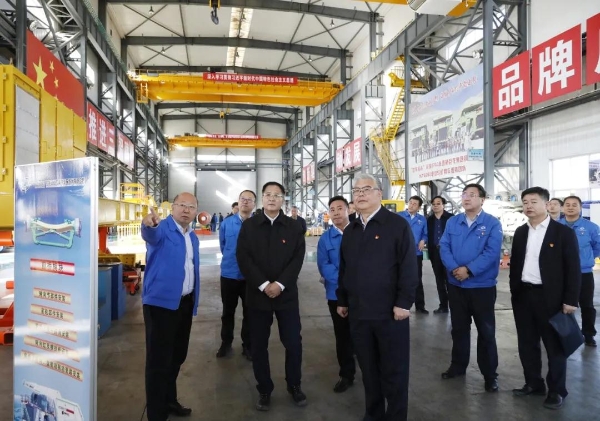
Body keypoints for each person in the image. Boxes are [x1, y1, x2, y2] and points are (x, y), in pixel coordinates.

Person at [337, 173, 418, 421]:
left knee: (394, 371)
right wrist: (342, 299)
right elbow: (345, 268)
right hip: (359, 312)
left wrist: (404, 302)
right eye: (356, 191)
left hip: (389, 313)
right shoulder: (351, 230)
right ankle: (373, 414)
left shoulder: (396, 225)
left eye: (366, 189)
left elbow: (408, 266)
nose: (360, 194)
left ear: (379, 194)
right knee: (369, 370)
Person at [237, 182, 307, 411]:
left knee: (293, 343)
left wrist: (280, 284)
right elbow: (243, 258)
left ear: (283, 200)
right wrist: (264, 284)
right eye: (268, 194)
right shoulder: (250, 226)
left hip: (287, 297)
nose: (272, 198)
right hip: (258, 297)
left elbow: (297, 259)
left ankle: (294, 385)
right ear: (262, 198)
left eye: (277, 195)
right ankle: (264, 389)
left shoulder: (294, 227)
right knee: (258, 346)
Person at [510, 187, 581, 410]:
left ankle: (557, 390)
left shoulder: (562, 233)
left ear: (546, 204)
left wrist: (570, 300)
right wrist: (514, 291)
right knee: (527, 343)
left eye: (533, 201)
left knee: (554, 346)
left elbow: (573, 269)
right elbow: (515, 265)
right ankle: (533, 383)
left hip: (551, 298)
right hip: (524, 295)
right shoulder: (521, 232)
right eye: (525, 202)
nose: (528, 206)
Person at [141, 193, 201, 421]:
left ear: (196, 211)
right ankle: (156, 414)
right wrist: (148, 225)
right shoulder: (162, 228)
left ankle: (169, 400)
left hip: (184, 303)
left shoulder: (191, 236)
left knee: (177, 356)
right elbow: (150, 234)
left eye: (191, 206)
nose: (186, 210)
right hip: (160, 306)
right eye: (182, 205)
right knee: (158, 362)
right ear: (173, 208)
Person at [439, 184, 502, 392]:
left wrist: (469, 270)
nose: (466, 198)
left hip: (481, 287)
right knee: (459, 329)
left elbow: (491, 252)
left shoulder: (492, 223)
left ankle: (490, 375)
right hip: (456, 285)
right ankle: (458, 366)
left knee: (486, 332)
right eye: (464, 194)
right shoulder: (453, 221)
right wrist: (454, 269)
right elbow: (444, 246)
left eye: (472, 195)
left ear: (482, 199)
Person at [317, 196, 356, 393]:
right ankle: (346, 374)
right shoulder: (325, 239)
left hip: (361, 294)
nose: (336, 212)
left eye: (340, 208)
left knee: (364, 334)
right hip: (336, 295)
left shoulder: (360, 232)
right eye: (332, 210)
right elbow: (324, 266)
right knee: (342, 336)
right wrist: (345, 283)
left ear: (348, 210)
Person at [217, 191, 257, 360]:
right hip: (229, 274)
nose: (245, 202)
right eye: (242, 199)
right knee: (228, 312)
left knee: (250, 313)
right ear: (238, 202)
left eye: (249, 200)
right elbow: (223, 245)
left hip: (251, 277)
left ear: (254, 204)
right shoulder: (227, 223)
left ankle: (247, 345)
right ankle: (226, 343)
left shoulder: (258, 224)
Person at [559, 195, 599, 347]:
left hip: (584, 273)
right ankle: (564, 335)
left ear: (580, 208)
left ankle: (588, 334)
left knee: (587, 305)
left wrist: (586, 259)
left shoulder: (591, 227)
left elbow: (597, 246)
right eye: (567, 204)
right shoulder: (555, 226)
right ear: (563, 208)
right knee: (560, 305)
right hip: (561, 274)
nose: (570, 207)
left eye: (574, 205)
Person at [398, 195, 429, 314]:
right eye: (410, 202)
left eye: (415, 204)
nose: (411, 205)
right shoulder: (398, 216)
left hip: (416, 253)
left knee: (416, 279)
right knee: (398, 278)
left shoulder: (422, 219)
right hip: (400, 253)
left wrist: (423, 240)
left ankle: (420, 306)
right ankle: (397, 304)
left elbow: (425, 234)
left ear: (419, 207)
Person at [427, 195, 453, 314]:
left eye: (438, 203)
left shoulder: (451, 218)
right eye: (433, 204)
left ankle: (455, 305)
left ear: (443, 205)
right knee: (439, 280)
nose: (436, 206)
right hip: (434, 253)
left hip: (448, 252)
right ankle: (443, 306)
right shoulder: (429, 220)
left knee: (450, 279)